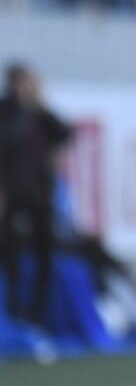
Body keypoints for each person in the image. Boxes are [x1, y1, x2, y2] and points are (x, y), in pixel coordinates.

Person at [0, 63, 70, 331]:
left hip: (39, 197)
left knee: (45, 254)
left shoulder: (37, 114)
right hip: (13, 198)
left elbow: (64, 133)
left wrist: (39, 106)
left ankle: (36, 316)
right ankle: (15, 313)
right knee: (12, 257)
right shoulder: (6, 113)